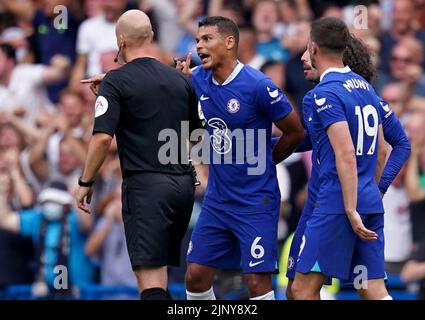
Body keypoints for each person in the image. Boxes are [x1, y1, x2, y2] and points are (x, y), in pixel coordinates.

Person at [75, 10, 200, 300]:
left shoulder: (116, 82)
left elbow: (103, 137)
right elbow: (197, 136)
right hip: (182, 189)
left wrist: (85, 183)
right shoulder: (180, 80)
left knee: (150, 284)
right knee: (161, 279)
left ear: (121, 40)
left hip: (146, 189)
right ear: (151, 36)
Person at [177, 16, 304, 300]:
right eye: (197, 40)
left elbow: (294, 132)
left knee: (256, 282)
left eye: (207, 39)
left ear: (230, 42)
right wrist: (113, 84)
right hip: (218, 200)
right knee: (195, 277)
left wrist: (267, 159)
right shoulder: (195, 80)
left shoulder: (258, 85)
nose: (199, 46)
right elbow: (155, 83)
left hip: (255, 200)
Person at [284, 35, 411, 300]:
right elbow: (397, 145)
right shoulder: (369, 97)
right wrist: (378, 189)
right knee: (371, 288)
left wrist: (377, 188)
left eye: (309, 50)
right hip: (362, 203)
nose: (303, 58)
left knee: (301, 290)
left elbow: (351, 153)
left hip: (332, 205)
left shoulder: (322, 97)